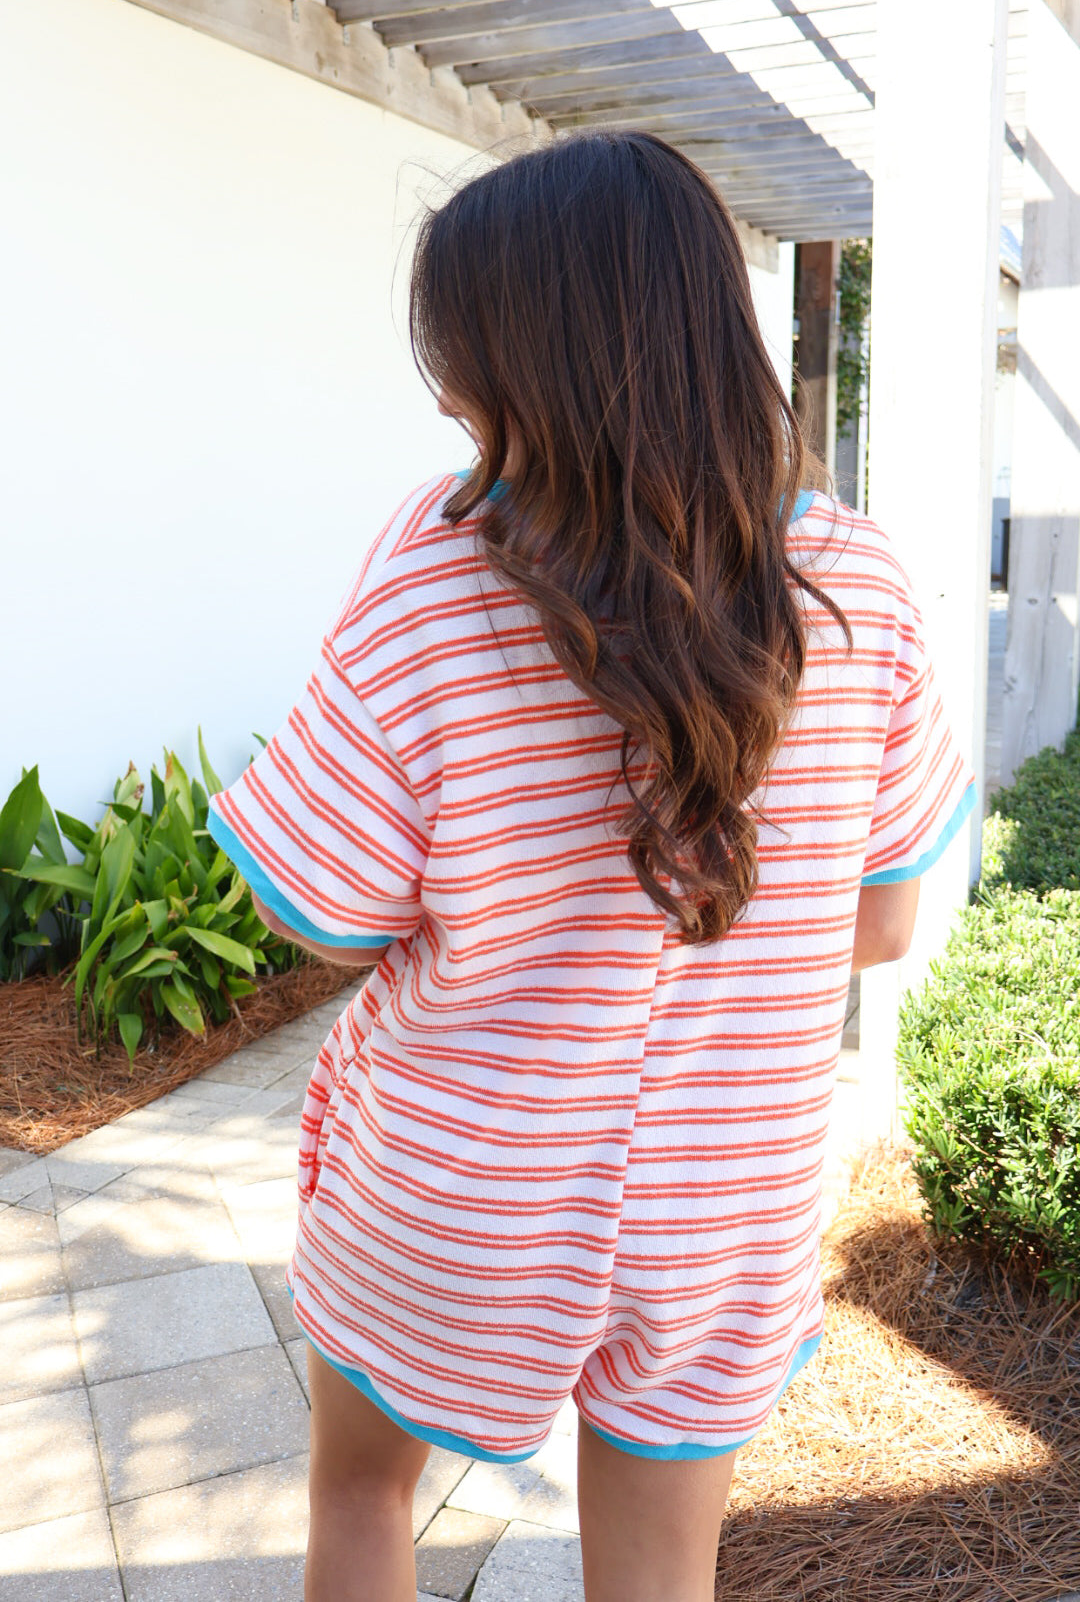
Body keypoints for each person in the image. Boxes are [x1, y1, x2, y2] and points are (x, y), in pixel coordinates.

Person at [207, 129, 977, 1602]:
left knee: (362, 1501)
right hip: (729, 1198)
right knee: (662, 1577)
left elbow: (321, 908)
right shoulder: (858, 581)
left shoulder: (440, 569)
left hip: (462, 1184)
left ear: (530, 364)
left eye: (459, 355)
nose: (443, 390)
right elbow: (882, 926)